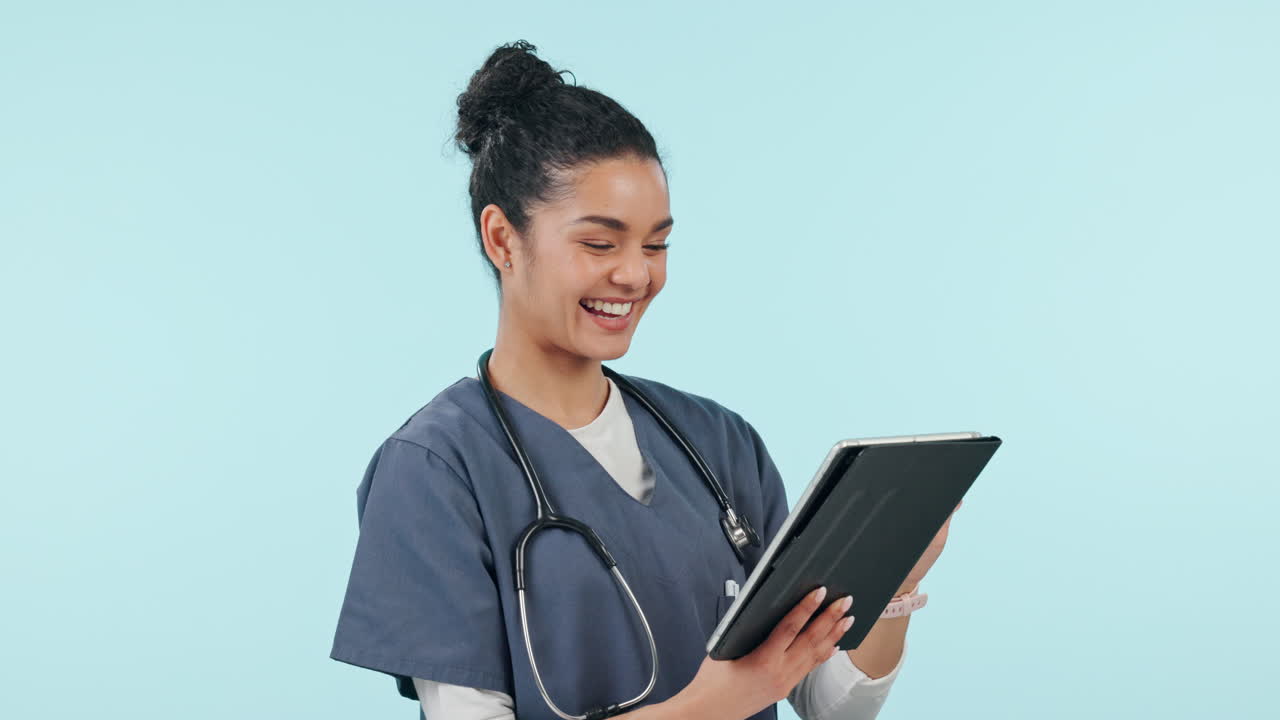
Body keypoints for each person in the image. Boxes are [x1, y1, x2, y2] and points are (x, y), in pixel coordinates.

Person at [330, 40, 959, 720]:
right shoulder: (434, 471)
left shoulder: (718, 444)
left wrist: (896, 585)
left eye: (656, 244)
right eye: (600, 244)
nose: (636, 275)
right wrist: (723, 700)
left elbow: (830, 705)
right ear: (503, 239)